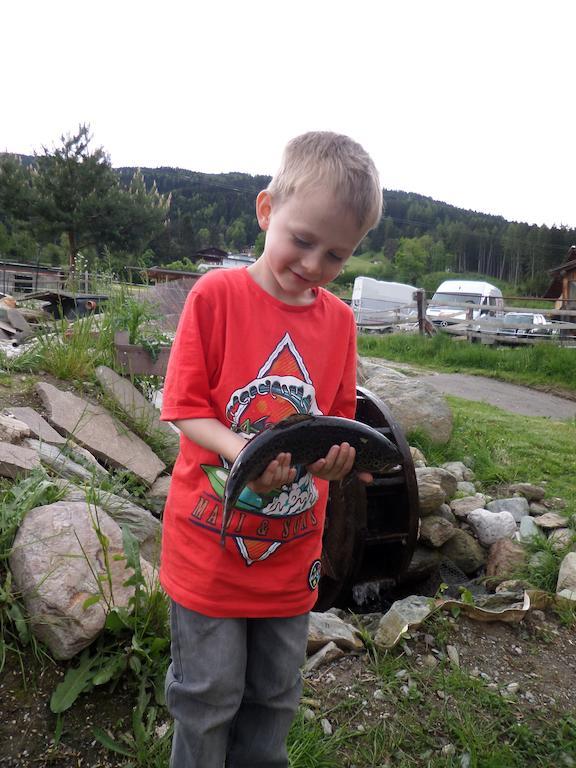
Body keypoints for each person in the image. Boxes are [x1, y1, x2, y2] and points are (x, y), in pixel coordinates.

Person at [160, 131, 383, 767]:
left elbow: (338, 421)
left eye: (336, 255)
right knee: (207, 694)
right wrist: (243, 452)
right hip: (210, 548)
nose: (314, 265)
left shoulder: (340, 322)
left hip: (292, 558)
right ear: (266, 211)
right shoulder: (215, 296)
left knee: (276, 696)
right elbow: (182, 409)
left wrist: (342, 464)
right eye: (302, 241)